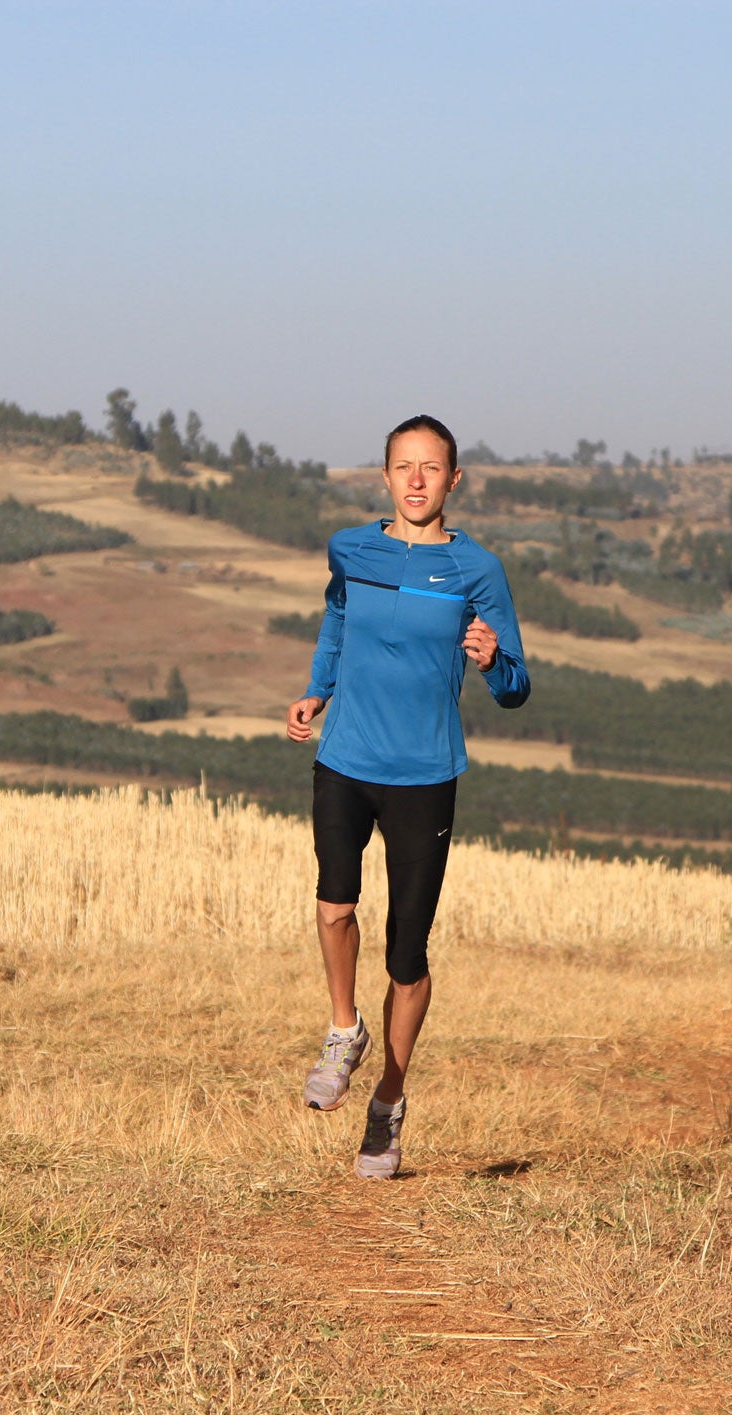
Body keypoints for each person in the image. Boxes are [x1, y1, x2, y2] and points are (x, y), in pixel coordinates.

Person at [284, 414, 530, 1178]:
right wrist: (317, 689)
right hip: (346, 758)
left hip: (424, 774)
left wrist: (492, 662)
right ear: (385, 475)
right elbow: (337, 617)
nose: (416, 480)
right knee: (334, 905)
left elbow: (517, 686)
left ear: (454, 480)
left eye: (431, 468)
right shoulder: (351, 549)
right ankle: (343, 1030)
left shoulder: (477, 569)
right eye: (403, 466)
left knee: (407, 956)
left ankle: (388, 1101)